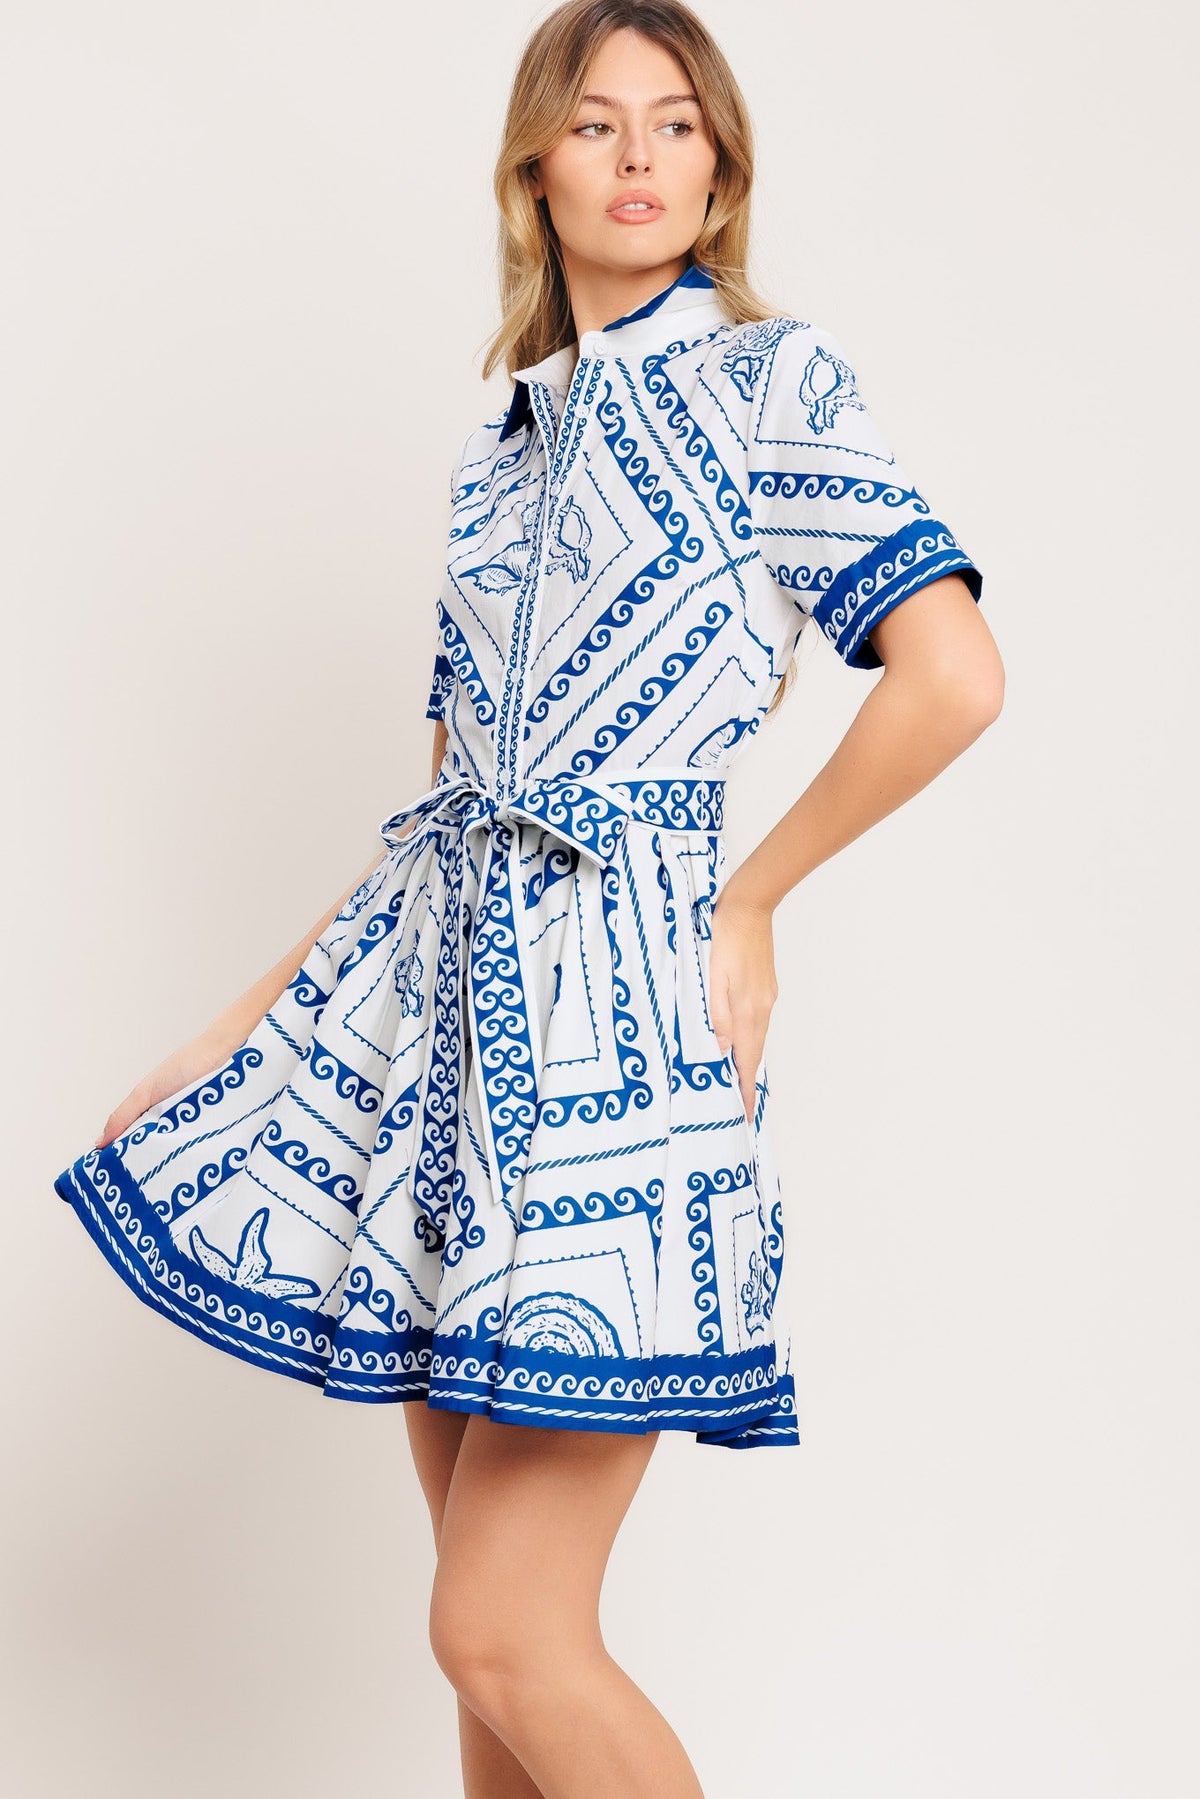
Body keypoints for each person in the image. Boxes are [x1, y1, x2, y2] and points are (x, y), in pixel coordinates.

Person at [53, 3, 1004, 1793]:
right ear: (532, 167)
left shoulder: (768, 380)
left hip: (619, 1036)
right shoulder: (505, 441)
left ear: (721, 167)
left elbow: (953, 676)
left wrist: (754, 898)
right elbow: (431, 826)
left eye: (676, 124)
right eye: (596, 125)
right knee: (486, 1661)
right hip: (442, 1055)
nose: (639, 157)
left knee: (504, 1628)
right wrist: (229, 1040)